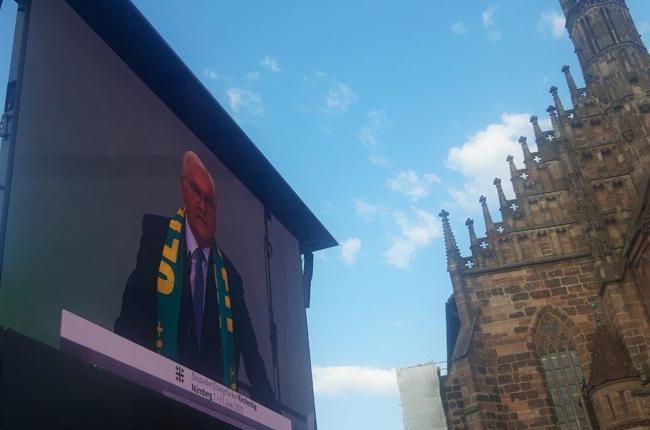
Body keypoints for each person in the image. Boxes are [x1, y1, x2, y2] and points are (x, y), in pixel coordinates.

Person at [115, 151, 276, 409]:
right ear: (183, 189)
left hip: (211, 411)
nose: (202, 206)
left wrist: (274, 417)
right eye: (196, 192)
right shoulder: (157, 236)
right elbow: (132, 313)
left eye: (210, 201)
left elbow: (250, 350)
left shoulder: (231, 276)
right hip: (152, 403)